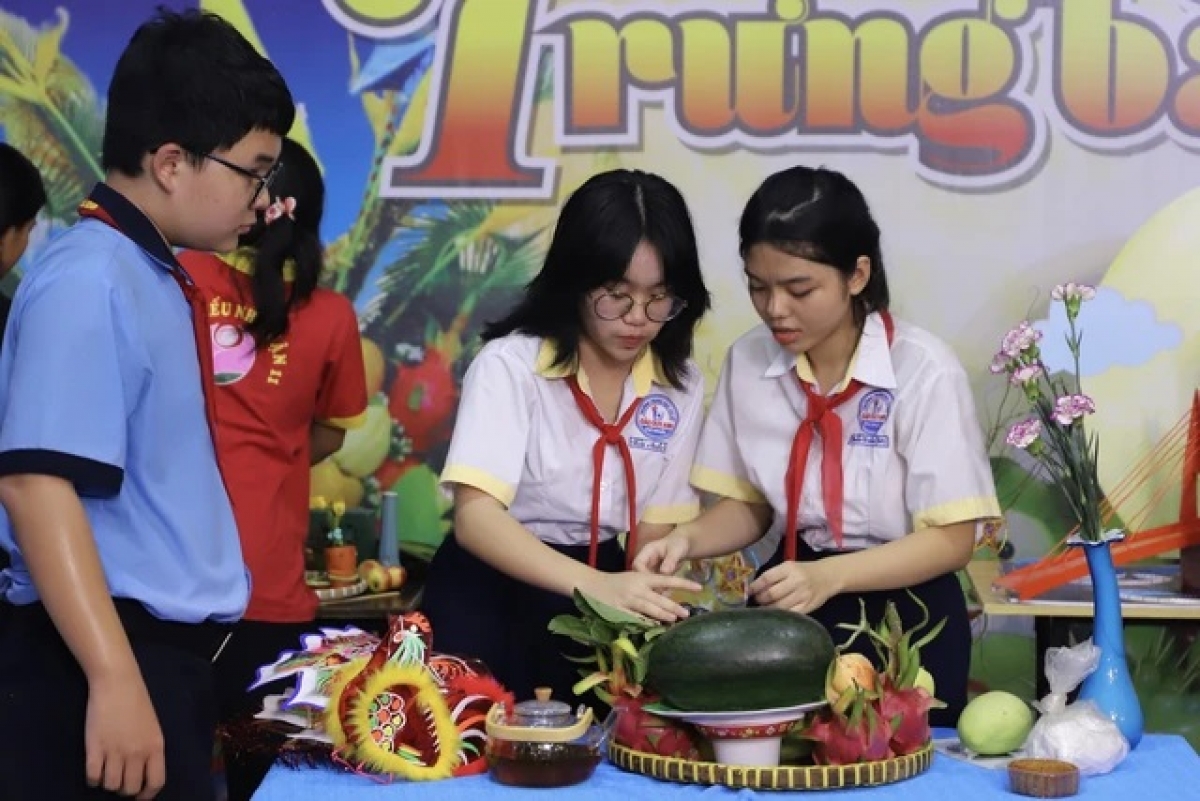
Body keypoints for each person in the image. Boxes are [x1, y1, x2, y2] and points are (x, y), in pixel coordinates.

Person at [0, 10, 294, 801]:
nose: (265, 199)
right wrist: (114, 676)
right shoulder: (88, 278)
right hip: (98, 659)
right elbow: (35, 485)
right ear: (171, 162)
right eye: (255, 170)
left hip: (148, 658)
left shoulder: (148, 270)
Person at [635, 165, 1000, 725]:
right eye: (758, 286)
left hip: (910, 611)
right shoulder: (749, 361)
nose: (775, 308)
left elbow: (951, 541)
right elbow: (751, 506)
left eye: (799, 288)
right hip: (790, 605)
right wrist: (687, 540)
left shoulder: (923, 371)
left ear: (857, 275)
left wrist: (831, 576)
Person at [422, 169, 711, 704]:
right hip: (492, 586)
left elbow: (655, 527)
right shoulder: (511, 365)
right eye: (616, 296)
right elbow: (477, 519)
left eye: (659, 299)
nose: (637, 320)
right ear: (575, 281)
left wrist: (648, 593)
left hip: (604, 589)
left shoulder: (680, 386)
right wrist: (596, 586)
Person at [178, 137, 368, 801]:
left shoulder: (183, 278)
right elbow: (327, 432)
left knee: (156, 774)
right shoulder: (333, 316)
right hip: (269, 592)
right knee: (262, 782)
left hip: (171, 580)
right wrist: (279, 447)